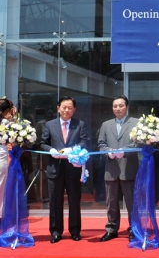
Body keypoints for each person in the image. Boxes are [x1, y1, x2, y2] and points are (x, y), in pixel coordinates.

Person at [40, 96, 89, 243]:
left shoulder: (80, 124)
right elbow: (43, 143)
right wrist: (51, 150)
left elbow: (85, 141)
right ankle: (55, 231)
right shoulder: (49, 125)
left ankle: (74, 230)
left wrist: (73, 150)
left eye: (70, 108)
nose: (66, 110)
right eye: (64, 107)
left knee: (74, 200)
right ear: (58, 108)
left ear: (74, 110)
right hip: (54, 168)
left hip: (73, 169)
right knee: (55, 201)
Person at [98, 95, 139, 242]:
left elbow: (139, 143)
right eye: (115, 106)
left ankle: (134, 229)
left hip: (129, 167)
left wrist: (125, 150)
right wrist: (108, 151)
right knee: (111, 202)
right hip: (111, 168)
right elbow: (101, 143)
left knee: (131, 202)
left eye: (121, 105)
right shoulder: (106, 124)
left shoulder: (136, 123)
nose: (117, 108)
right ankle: (111, 229)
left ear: (127, 107)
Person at [0, 97, 17, 224]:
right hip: (1, 156)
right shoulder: (6, 123)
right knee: (1, 188)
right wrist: (14, 118)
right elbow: (15, 136)